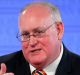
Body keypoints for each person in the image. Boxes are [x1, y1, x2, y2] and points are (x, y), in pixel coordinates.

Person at [0, 2, 80, 75]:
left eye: (39, 32)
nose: (32, 42)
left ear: (58, 30)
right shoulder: (3, 66)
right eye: (26, 35)